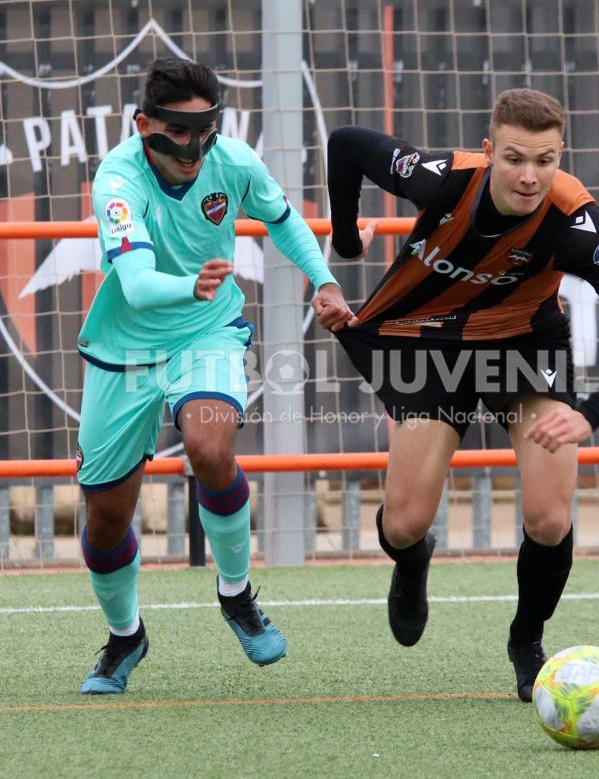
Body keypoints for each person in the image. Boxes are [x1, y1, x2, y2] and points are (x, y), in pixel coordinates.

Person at [326, 88, 599, 701]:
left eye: (545, 160)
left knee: (550, 517)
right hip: (429, 341)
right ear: (489, 152)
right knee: (402, 525)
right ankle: (412, 559)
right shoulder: (442, 179)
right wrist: (347, 242)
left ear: (561, 156)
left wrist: (589, 416)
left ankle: (527, 640)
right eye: (514, 159)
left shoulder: (577, 223)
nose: (530, 176)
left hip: (525, 347)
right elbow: (346, 143)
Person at [75, 57, 354, 694]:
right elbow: (138, 286)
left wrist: (324, 280)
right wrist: (190, 284)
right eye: (176, 132)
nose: (193, 149)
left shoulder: (234, 162)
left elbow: (282, 218)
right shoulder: (118, 179)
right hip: (123, 350)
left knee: (208, 446)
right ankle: (126, 636)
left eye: (204, 132)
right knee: (106, 520)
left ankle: (236, 594)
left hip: (207, 334)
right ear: (143, 124)